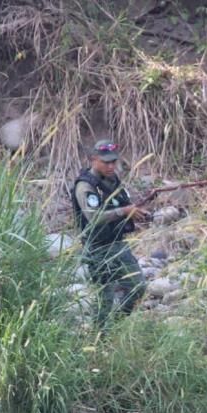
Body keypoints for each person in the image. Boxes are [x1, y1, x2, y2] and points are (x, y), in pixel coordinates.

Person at [71, 139, 148, 326]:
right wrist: (124, 211)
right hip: (97, 249)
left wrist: (136, 213)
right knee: (104, 299)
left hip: (118, 244)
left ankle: (116, 324)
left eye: (114, 161)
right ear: (93, 159)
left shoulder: (113, 181)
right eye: (106, 162)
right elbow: (93, 217)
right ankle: (101, 337)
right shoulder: (85, 186)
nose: (111, 165)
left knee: (137, 287)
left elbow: (121, 204)